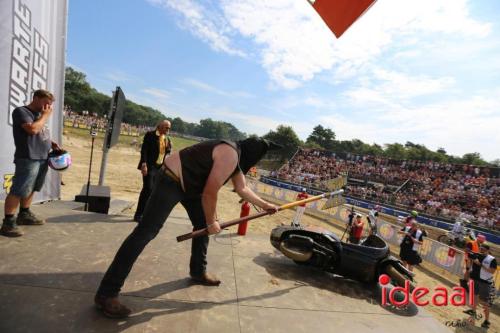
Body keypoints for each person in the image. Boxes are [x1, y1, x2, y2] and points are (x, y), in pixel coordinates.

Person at [94, 137, 280, 318]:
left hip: (190, 186)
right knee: (145, 232)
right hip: (171, 180)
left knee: (201, 224)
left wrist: (265, 205)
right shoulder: (229, 154)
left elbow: (242, 188)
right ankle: (106, 293)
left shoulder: (235, 155)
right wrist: (211, 222)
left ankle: (198, 271)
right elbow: (210, 192)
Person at [1, 89, 62, 237]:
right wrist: (45, 116)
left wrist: (50, 142)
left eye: (50, 104)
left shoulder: (39, 115)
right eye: (46, 102)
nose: (48, 106)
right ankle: (8, 223)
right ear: (35, 98)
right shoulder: (22, 111)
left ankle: (24, 214)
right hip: (28, 157)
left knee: (32, 187)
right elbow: (33, 129)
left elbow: (40, 132)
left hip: (42, 156)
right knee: (19, 189)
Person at [133, 120, 172, 222]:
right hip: (149, 167)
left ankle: (146, 214)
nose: (168, 130)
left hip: (160, 168)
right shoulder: (150, 135)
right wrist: (144, 164)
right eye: (166, 127)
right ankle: (138, 214)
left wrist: (169, 150)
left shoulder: (166, 138)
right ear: (159, 126)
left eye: (169, 128)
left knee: (153, 191)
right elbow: (144, 150)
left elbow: (166, 153)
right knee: (147, 189)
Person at [463, 244, 497, 329]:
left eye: (483, 249)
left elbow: (492, 271)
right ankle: (473, 314)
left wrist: (480, 264)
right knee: (475, 298)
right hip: (475, 280)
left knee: (484, 302)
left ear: (488, 250)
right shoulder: (476, 255)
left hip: (485, 283)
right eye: (480, 248)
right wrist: (467, 250)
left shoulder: (492, 259)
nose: (481, 250)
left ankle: (486, 321)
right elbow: (467, 252)